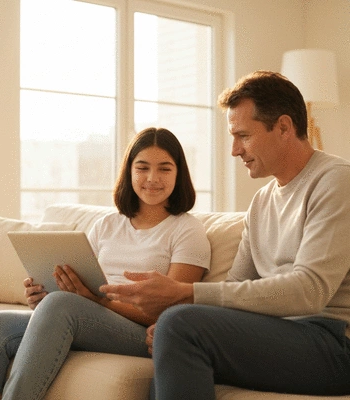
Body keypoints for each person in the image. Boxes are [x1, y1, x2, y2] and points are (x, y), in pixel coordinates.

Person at [100, 71, 350, 398]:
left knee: (180, 324)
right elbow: (234, 286)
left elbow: (310, 290)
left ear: (284, 128)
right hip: (281, 332)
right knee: (173, 331)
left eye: (243, 135)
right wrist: (182, 310)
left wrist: (186, 294)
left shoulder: (335, 181)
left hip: (332, 343)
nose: (234, 150)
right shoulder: (262, 201)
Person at [0, 127, 211, 400]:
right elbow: (88, 283)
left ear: (179, 173)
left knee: (62, 306)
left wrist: (92, 301)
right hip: (91, 316)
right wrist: (49, 293)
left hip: (146, 332)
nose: (152, 178)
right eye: (142, 168)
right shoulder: (108, 224)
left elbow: (173, 310)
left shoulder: (187, 230)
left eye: (165, 169)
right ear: (129, 171)